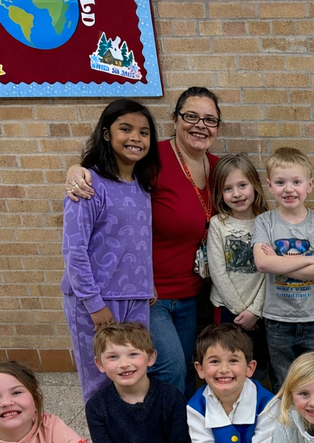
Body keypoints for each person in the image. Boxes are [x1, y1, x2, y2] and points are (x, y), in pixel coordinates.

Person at [68, 87, 224, 396]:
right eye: (191, 116)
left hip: (192, 292)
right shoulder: (154, 159)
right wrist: (76, 170)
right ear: (174, 120)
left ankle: (187, 435)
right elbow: (106, 171)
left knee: (187, 367)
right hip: (149, 293)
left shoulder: (218, 168)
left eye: (210, 119)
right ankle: (166, 433)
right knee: (169, 368)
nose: (200, 125)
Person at [61, 99, 160, 403]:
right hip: (98, 301)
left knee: (133, 375)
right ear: (106, 134)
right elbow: (73, 250)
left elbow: (138, 241)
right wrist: (93, 303)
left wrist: (148, 284)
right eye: (126, 129)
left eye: (144, 133)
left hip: (136, 298)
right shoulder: (89, 186)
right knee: (101, 378)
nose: (136, 138)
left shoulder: (142, 186)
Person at [252, 148, 314, 393]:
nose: (289, 189)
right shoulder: (264, 222)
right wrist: (311, 259)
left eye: (296, 182)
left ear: (309, 185)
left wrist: (281, 262)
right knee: (283, 382)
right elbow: (263, 264)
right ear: (270, 186)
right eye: (280, 182)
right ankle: (288, 429)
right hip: (278, 319)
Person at [186, 323, 276, 443]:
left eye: (233, 360)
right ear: (200, 369)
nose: (224, 369)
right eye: (214, 361)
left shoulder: (267, 403)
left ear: (250, 368)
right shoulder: (196, 407)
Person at [208, 153, 271, 382]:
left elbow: (271, 273)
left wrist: (255, 310)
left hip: (262, 310)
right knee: (232, 361)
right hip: (227, 309)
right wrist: (239, 310)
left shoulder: (267, 221)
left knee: (259, 363)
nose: (236, 194)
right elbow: (217, 271)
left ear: (254, 185)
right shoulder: (218, 224)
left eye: (242, 185)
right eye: (228, 188)